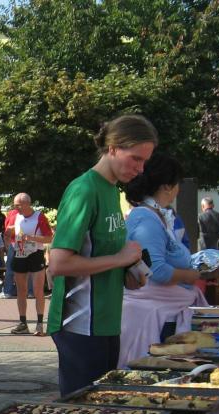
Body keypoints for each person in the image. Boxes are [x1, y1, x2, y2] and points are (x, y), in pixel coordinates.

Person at [48, 115, 155, 396]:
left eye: (144, 161)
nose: (140, 169)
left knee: (104, 409)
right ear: (113, 148)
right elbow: (58, 263)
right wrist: (121, 260)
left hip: (107, 321)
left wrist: (130, 272)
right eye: (135, 158)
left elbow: (102, 253)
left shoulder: (110, 190)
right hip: (80, 324)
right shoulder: (84, 189)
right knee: (84, 411)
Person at [118, 153, 209, 366]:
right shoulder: (146, 218)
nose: (178, 189)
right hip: (150, 317)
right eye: (177, 183)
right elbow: (157, 271)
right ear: (167, 186)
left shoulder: (156, 216)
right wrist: (194, 275)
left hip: (160, 313)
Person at [4, 193, 53, 336]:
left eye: (18, 205)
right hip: (19, 254)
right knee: (21, 290)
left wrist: (30, 237)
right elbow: (8, 235)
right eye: (14, 205)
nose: (15, 208)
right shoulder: (13, 215)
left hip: (35, 255)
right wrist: (9, 234)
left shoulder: (39, 217)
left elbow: (49, 238)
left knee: (38, 290)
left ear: (27, 204)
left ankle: (39, 324)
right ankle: (23, 323)